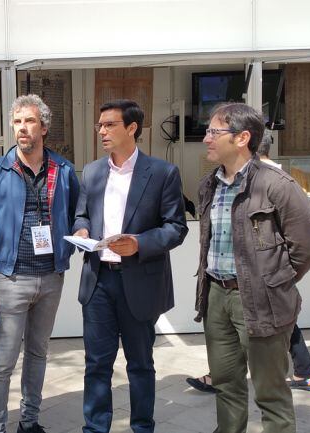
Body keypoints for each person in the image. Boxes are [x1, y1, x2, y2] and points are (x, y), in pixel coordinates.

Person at [196, 103, 310, 433]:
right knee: (226, 387)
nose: (206, 138)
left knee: (271, 394)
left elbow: (305, 250)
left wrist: (272, 283)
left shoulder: (278, 185)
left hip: (263, 302)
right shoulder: (209, 185)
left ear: (242, 137)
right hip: (216, 297)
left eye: (213, 132)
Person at [73, 99, 187, 433]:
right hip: (98, 282)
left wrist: (138, 244)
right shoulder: (93, 171)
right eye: (99, 125)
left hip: (139, 281)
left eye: (109, 125)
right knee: (96, 364)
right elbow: (82, 214)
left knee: (140, 364)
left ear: (132, 128)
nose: (102, 131)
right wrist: (82, 229)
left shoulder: (163, 173)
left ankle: (142, 427)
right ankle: (95, 428)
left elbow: (176, 227)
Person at [0, 94, 80, 433]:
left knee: (37, 353)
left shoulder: (62, 170)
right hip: (11, 278)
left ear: (43, 127)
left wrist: (77, 239)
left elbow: (76, 214)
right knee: (3, 360)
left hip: (51, 278)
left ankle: (29, 422)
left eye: (29, 121)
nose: (22, 128)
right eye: (17, 122)